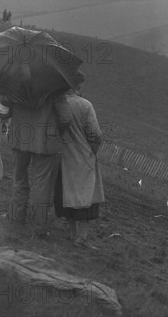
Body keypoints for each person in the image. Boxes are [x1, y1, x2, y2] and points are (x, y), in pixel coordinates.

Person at [0, 91, 70, 235]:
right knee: (42, 185)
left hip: (20, 138)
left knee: (19, 179)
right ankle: (39, 226)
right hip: (45, 142)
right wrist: (56, 131)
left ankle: (16, 216)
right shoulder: (55, 88)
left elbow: (2, 113)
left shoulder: (15, 83)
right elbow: (66, 118)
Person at [54, 70, 104, 250]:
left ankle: (72, 233)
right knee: (86, 198)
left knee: (67, 194)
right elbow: (95, 134)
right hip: (82, 157)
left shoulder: (56, 102)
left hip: (62, 156)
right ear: (77, 85)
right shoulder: (85, 105)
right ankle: (81, 238)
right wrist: (93, 151)